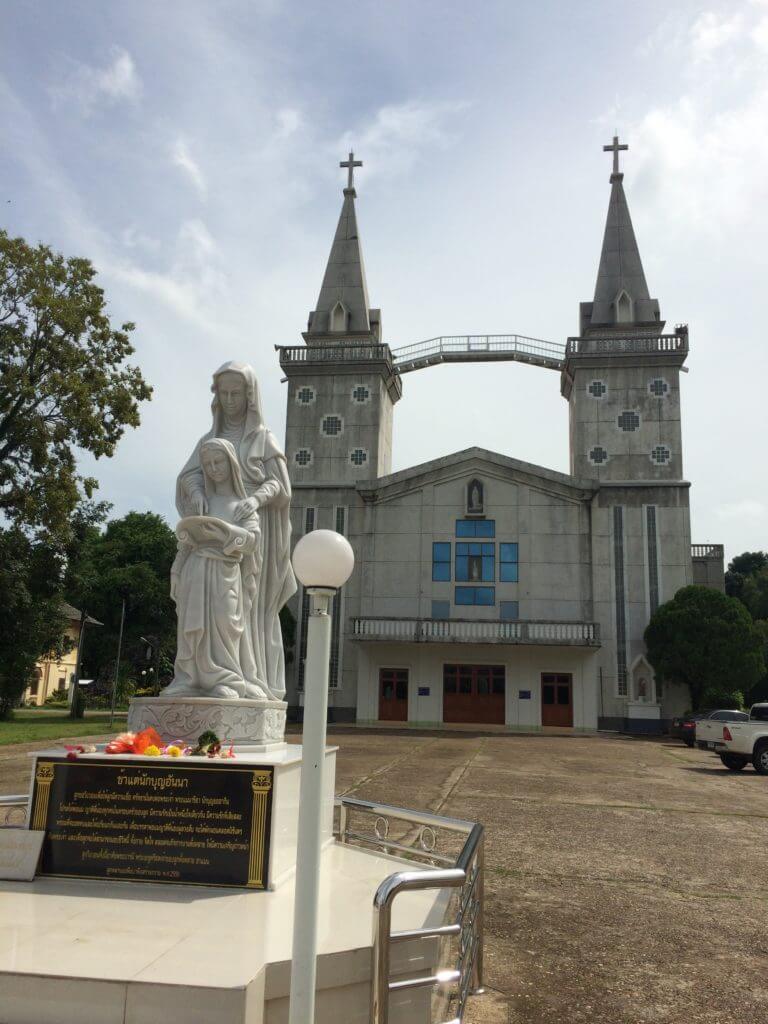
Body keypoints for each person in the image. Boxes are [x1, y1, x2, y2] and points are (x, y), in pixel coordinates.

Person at [175, 362, 296, 699]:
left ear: (250, 395)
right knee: (199, 607)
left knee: (243, 612)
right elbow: (190, 475)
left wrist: (255, 500)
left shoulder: (262, 438)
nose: (229, 400)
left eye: (236, 393)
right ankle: (196, 675)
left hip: (253, 532)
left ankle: (243, 675)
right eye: (223, 393)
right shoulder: (209, 439)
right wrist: (198, 494)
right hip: (208, 537)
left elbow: (282, 486)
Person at [166, 438, 266, 699]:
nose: (213, 468)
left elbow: (252, 541)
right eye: (208, 464)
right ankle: (188, 678)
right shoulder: (200, 503)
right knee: (191, 626)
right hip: (195, 569)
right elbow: (185, 544)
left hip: (225, 572)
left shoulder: (243, 506)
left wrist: (227, 533)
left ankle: (226, 679)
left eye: (218, 461)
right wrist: (176, 573)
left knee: (225, 624)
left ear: (230, 463)